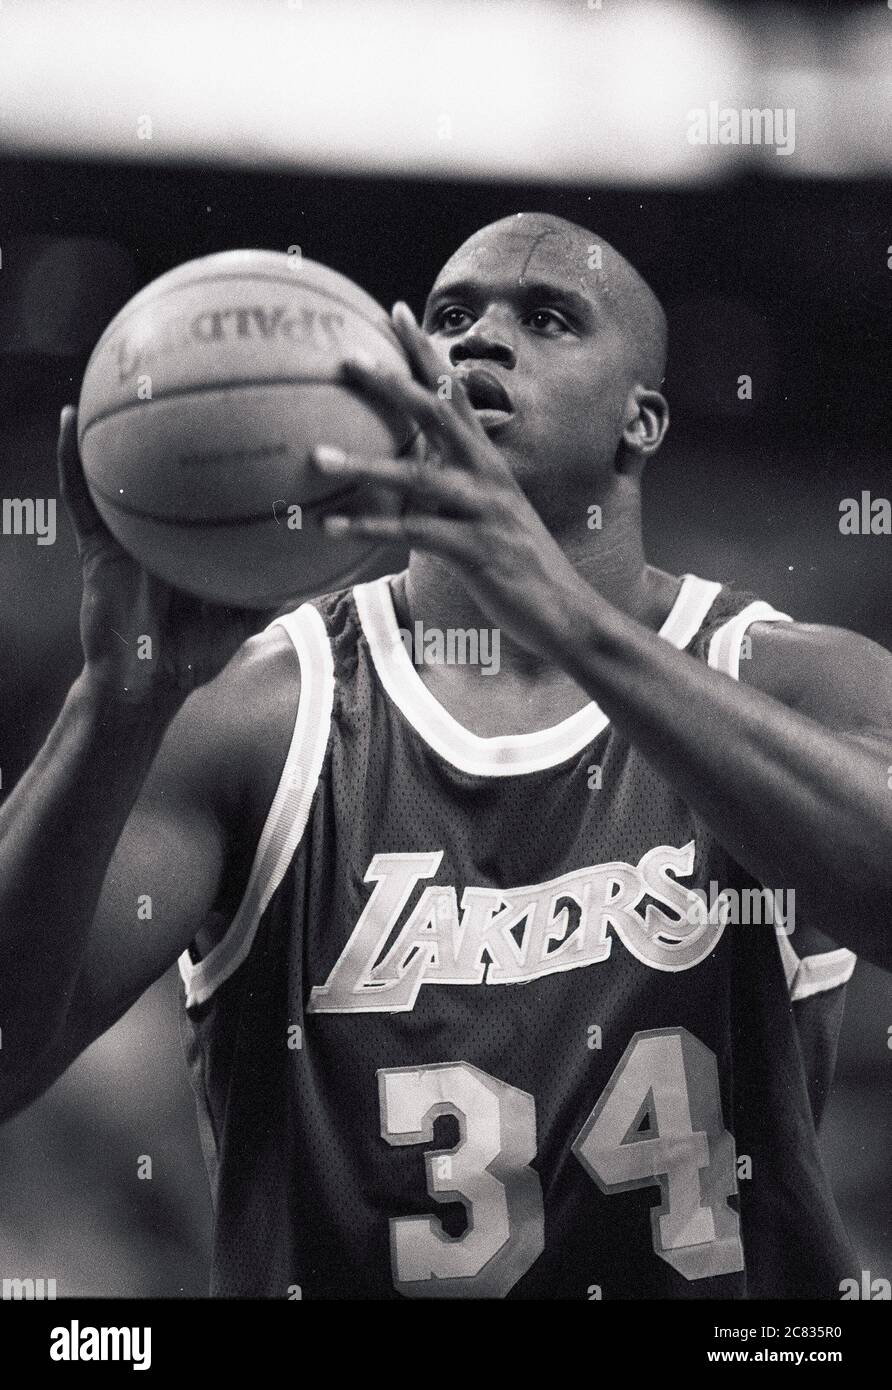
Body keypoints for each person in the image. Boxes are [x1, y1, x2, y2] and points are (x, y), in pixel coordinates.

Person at [1, 212, 889, 1299]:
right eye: (454, 314)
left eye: (548, 317)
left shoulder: (791, 679)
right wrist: (115, 704)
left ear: (640, 420)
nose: (479, 341)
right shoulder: (265, 714)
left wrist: (569, 620)